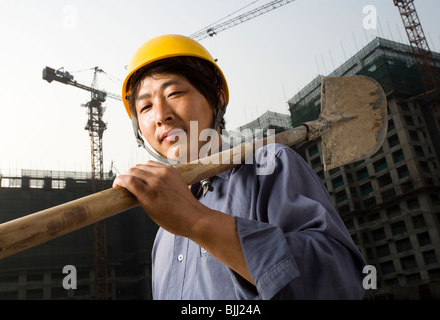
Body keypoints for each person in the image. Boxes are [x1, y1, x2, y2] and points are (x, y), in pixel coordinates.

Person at [113, 34, 366, 299]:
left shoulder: (269, 166)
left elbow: (338, 283)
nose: (160, 115)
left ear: (218, 99)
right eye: (145, 107)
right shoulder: (164, 236)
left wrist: (195, 219)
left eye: (174, 93)